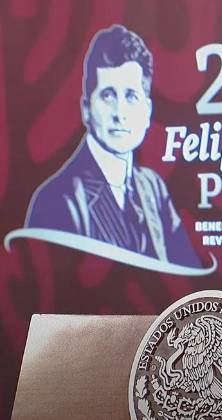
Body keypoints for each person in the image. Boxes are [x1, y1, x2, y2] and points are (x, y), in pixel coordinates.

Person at [25, 25, 200, 267]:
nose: (119, 113)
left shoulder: (153, 188)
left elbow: (187, 275)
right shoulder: (56, 201)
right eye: (107, 95)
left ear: (147, 111)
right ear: (86, 109)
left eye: (131, 96)